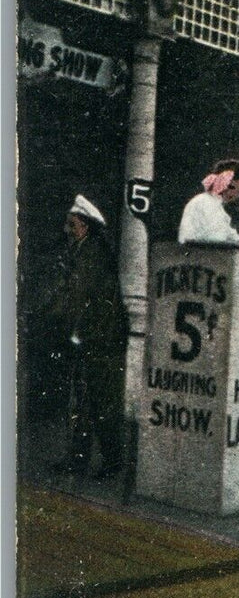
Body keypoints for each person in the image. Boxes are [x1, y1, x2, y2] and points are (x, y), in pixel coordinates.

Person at [48, 196, 128, 478]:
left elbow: (76, 298)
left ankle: (112, 463)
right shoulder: (86, 250)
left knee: (101, 403)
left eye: (72, 224)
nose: (67, 229)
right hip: (92, 339)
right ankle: (79, 460)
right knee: (84, 402)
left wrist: (57, 321)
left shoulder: (92, 253)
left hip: (102, 342)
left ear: (84, 225)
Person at [179, 158, 239, 243]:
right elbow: (216, 239)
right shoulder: (205, 203)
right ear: (228, 185)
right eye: (238, 188)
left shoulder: (218, 208)